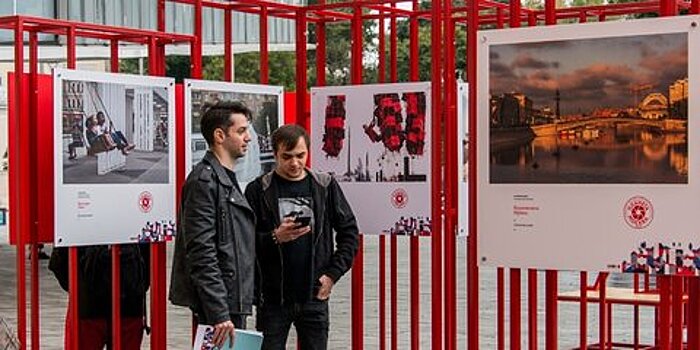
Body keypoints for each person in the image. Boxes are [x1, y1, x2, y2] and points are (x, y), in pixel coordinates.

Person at [245, 124, 360, 350]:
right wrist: (274, 237)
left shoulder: (324, 185)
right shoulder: (258, 190)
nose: (295, 163)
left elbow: (349, 233)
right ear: (275, 154)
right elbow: (243, 241)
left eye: (301, 155)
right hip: (273, 298)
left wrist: (331, 275)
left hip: (315, 294)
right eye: (287, 157)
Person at [169, 101, 256, 348]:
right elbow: (201, 251)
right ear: (220, 135)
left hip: (230, 300)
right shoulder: (204, 182)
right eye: (241, 131)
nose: (248, 138)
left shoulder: (223, 178)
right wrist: (219, 312)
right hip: (221, 308)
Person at [48, 244, 150, 349]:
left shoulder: (75, 228)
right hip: (129, 301)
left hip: (87, 304)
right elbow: (150, 257)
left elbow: (59, 261)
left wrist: (79, 286)